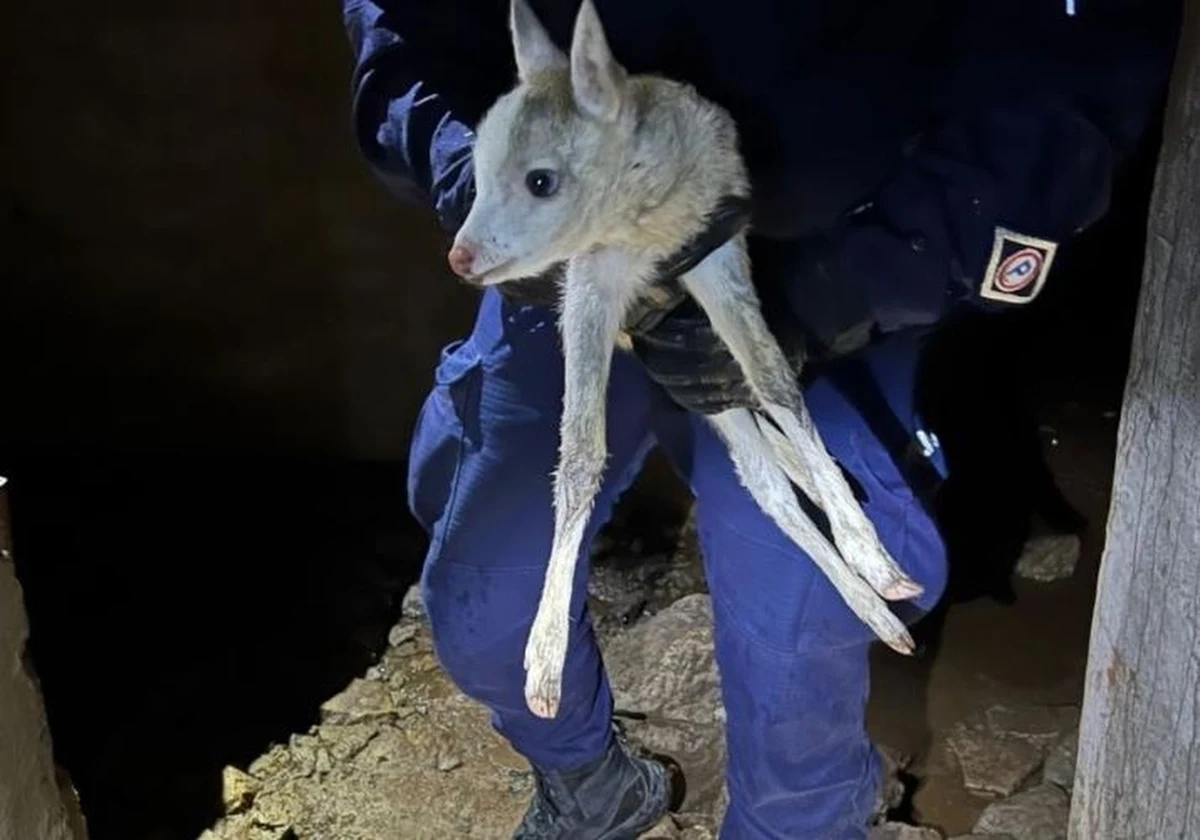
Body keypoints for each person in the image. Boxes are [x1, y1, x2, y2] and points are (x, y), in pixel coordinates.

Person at [339, 1, 1180, 837]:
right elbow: (404, 38)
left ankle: (798, 823)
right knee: (484, 593)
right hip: (578, 251)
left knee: (794, 627)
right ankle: (589, 783)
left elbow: (1065, 77)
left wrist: (841, 288)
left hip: (816, 253)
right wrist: (473, 178)